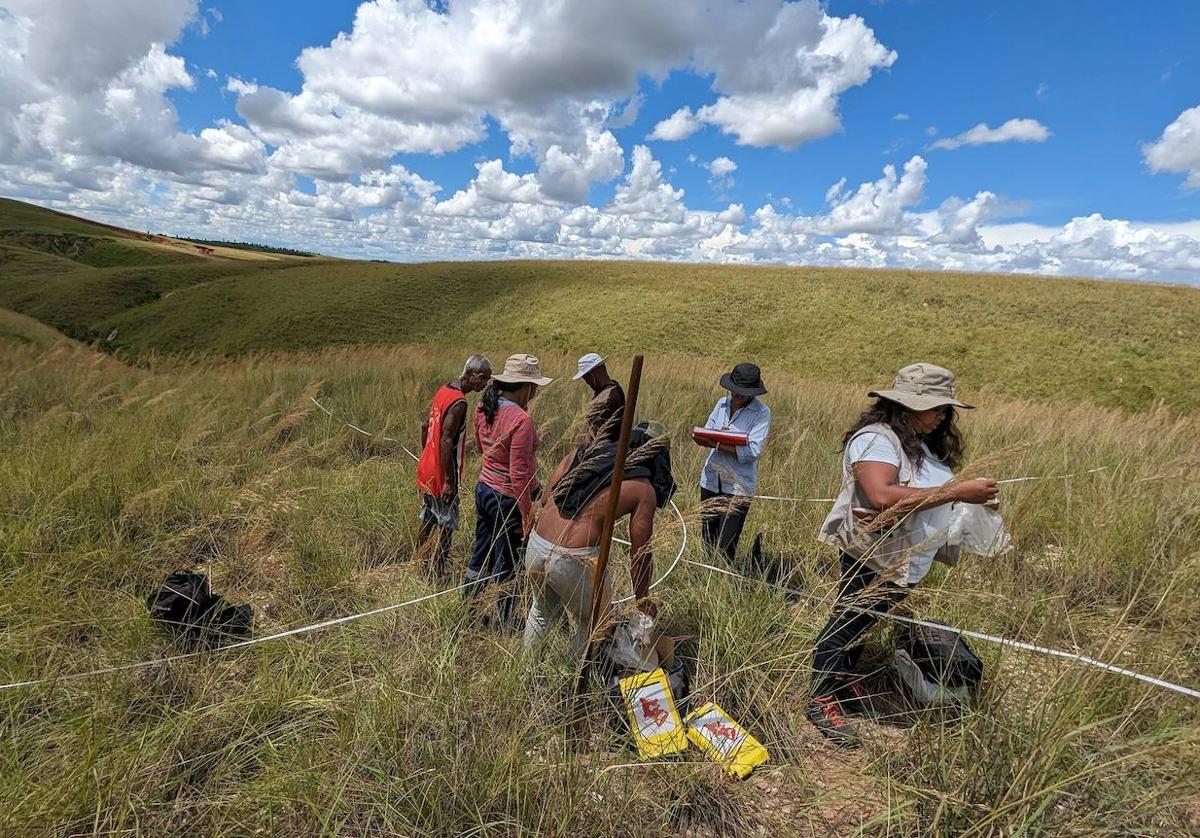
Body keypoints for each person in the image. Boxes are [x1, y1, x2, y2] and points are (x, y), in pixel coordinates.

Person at [808, 363, 999, 748]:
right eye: (934, 407)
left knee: (864, 622)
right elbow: (880, 495)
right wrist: (959, 493)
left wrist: (972, 503)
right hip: (876, 554)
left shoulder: (920, 443)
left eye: (945, 409)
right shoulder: (877, 440)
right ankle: (821, 697)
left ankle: (842, 680)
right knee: (849, 619)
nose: (941, 416)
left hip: (906, 559)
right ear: (906, 406)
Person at [523, 422, 676, 658]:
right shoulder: (644, 489)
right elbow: (640, 553)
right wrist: (643, 600)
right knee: (597, 622)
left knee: (541, 612)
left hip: (536, 544)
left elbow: (545, 500)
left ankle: (525, 677)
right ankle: (570, 685)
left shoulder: (582, 453)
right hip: (572, 558)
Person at [465, 354, 553, 628]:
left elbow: (482, 449)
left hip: (484, 488)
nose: (536, 392)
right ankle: (505, 620)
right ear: (525, 386)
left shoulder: (483, 407)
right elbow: (518, 474)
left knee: (481, 551)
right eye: (534, 386)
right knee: (510, 559)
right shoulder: (522, 421)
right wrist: (526, 515)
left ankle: (470, 610)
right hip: (508, 498)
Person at [415, 354, 492, 580]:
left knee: (428, 518)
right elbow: (447, 440)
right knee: (446, 525)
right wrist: (449, 480)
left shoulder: (444, 390)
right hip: (441, 474)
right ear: (470, 374)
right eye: (483, 377)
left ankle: (420, 564)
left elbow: (425, 427)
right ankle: (437, 572)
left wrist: (426, 455)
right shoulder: (459, 402)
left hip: (428, 467)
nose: (485, 383)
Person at [692, 362, 771, 564]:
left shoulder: (762, 413)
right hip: (711, 479)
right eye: (735, 390)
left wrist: (717, 444)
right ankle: (705, 583)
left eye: (743, 392)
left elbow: (752, 451)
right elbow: (708, 429)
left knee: (726, 546)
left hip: (738, 485)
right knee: (708, 539)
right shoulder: (721, 404)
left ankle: (722, 583)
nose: (737, 395)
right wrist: (709, 438)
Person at [573, 352, 625, 444]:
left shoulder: (606, 397)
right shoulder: (614, 389)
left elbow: (593, 432)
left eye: (586, 378)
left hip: (602, 449)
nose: (587, 382)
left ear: (592, 375)